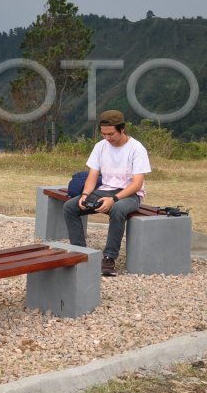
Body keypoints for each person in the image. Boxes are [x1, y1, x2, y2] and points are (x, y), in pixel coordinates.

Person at [62, 110, 152, 277]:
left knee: (117, 209)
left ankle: (109, 258)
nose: (107, 138)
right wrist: (85, 195)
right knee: (70, 207)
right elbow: (92, 176)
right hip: (105, 189)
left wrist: (114, 199)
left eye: (111, 134)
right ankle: (80, 252)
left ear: (122, 129)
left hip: (130, 194)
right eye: (104, 134)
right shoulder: (100, 146)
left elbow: (137, 183)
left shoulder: (136, 149)